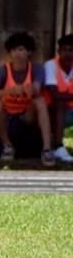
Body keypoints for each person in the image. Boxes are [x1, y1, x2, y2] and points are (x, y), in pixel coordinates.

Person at [0, 31, 54, 166]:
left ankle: (47, 149)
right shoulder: (2, 70)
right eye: (14, 50)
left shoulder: (36, 69)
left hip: (26, 116)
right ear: (9, 53)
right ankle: (7, 145)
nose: (17, 54)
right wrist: (9, 91)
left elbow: (37, 88)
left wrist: (30, 90)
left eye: (21, 49)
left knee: (40, 102)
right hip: (7, 115)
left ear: (29, 52)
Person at [41, 33, 73, 163]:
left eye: (71, 50)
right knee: (60, 103)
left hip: (70, 111)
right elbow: (55, 95)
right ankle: (58, 146)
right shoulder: (51, 65)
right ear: (59, 51)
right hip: (50, 112)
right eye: (64, 50)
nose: (67, 54)